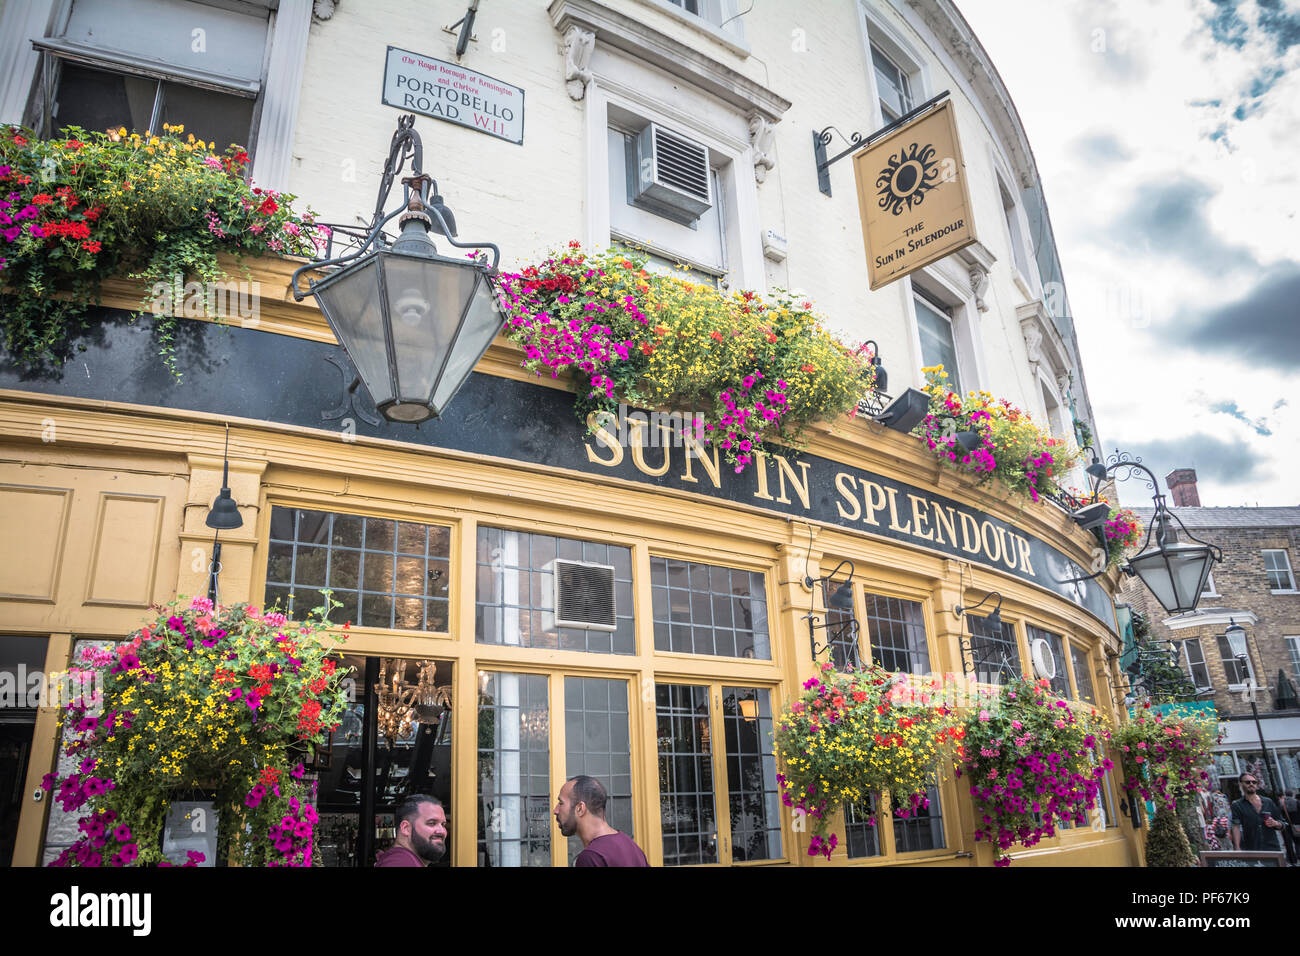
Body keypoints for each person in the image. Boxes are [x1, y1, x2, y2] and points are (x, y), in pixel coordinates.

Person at [554, 775, 649, 867]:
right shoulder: (630, 846)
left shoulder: (591, 858)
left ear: (580, 809)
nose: (555, 810)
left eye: (561, 803)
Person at [375, 794, 447, 867]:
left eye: (443, 824)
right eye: (432, 823)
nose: (442, 831)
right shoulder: (400, 863)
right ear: (406, 828)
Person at [1229, 774, 1285, 852]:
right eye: (1248, 782)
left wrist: (1275, 823)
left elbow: (1282, 823)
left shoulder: (1268, 802)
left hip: (1272, 848)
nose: (1251, 784)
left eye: (1254, 782)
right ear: (1241, 784)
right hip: (1252, 849)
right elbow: (1236, 827)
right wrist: (1237, 848)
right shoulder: (1237, 805)